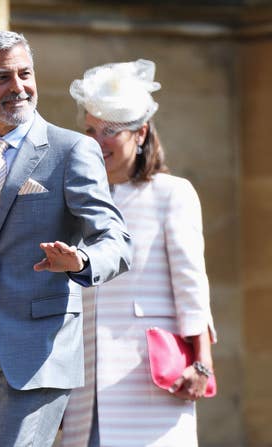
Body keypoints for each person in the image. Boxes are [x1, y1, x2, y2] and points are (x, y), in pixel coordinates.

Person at [0, 31, 132, 447]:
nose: (18, 87)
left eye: (25, 74)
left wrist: (81, 261)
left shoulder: (72, 150)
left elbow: (116, 239)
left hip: (39, 351)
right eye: (2, 78)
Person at [60, 59, 217, 447]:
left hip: (152, 376)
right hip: (85, 381)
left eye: (111, 130)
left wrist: (202, 363)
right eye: (91, 130)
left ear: (141, 132)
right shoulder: (75, 200)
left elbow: (191, 284)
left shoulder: (171, 192)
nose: (98, 141)